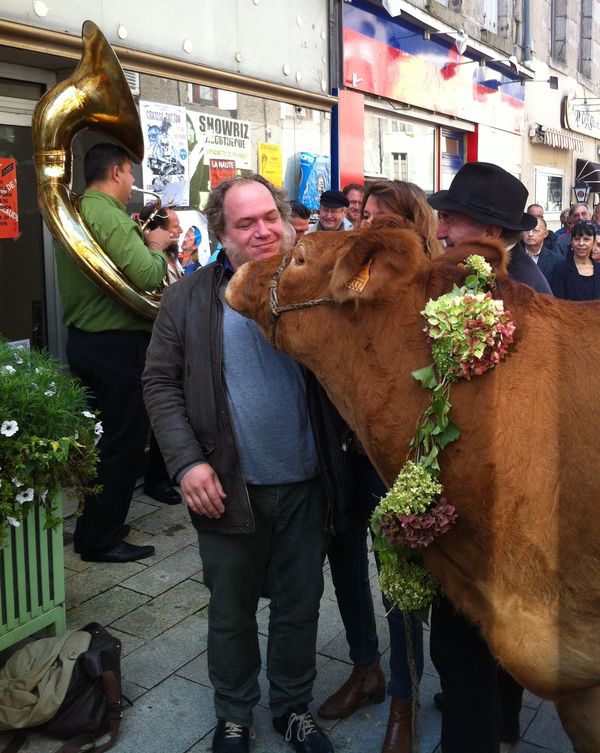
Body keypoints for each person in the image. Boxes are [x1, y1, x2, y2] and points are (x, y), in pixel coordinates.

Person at [143, 175, 347, 753]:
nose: (262, 232)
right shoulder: (188, 297)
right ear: (221, 235)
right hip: (228, 486)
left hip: (309, 481)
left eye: (269, 218)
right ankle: (234, 712)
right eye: (245, 223)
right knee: (230, 609)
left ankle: (292, 707)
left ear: (284, 220)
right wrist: (185, 464)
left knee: (299, 604)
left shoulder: (319, 289)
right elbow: (159, 383)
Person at [427, 161, 552, 753]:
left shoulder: (524, 292)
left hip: (497, 499)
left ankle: (479, 728)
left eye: (451, 215)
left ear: (490, 228)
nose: (441, 224)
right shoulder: (477, 277)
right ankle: (496, 719)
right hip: (485, 492)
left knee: (466, 639)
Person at [318, 180, 441, 753]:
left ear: (415, 228)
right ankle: (365, 668)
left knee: (400, 578)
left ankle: (403, 698)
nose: (368, 227)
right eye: (364, 216)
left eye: (384, 220)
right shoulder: (349, 273)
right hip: (346, 450)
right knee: (345, 559)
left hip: (402, 458)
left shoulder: (433, 287)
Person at [54, 142, 170, 562]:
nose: (133, 183)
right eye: (131, 174)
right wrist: (156, 243)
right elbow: (148, 274)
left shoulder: (78, 208)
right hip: (117, 345)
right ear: (118, 172)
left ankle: (95, 525)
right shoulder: (108, 215)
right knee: (123, 444)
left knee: (100, 444)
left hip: (85, 339)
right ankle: (100, 539)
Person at [361, 180, 443, 257]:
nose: (368, 222)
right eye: (366, 216)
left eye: (381, 217)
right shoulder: (357, 266)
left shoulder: (432, 270)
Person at [549, 220, 600, 300]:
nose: (581, 243)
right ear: (571, 242)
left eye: (586, 239)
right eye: (577, 239)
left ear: (593, 243)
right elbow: (558, 303)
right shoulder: (560, 269)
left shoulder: (598, 269)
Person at [138, 201, 184, 284]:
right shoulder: (144, 261)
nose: (181, 230)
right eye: (175, 226)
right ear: (159, 230)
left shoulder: (171, 254)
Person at [521, 216, 562, 281]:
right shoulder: (511, 257)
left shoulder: (557, 261)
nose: (530, 234)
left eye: (535, 230)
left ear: (545, 233)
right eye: (527, 230)